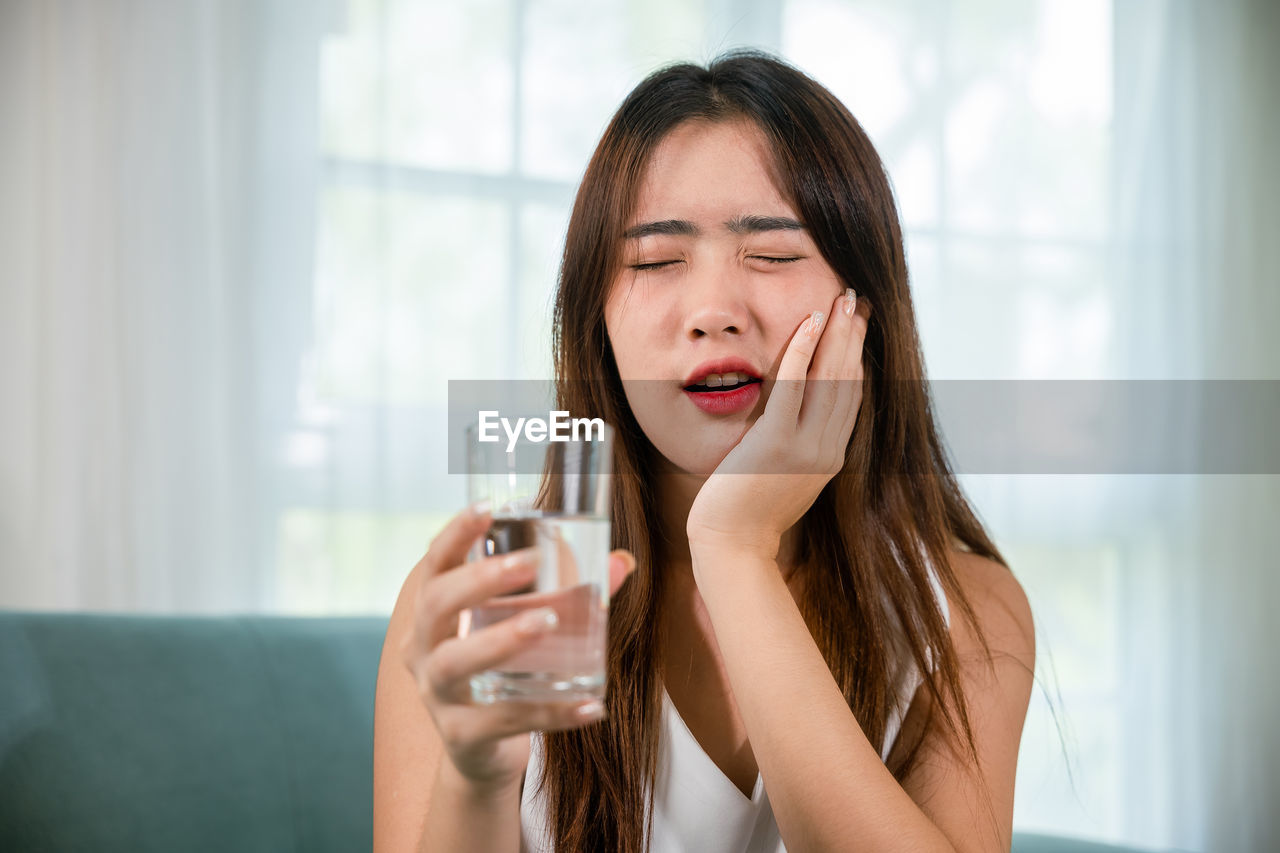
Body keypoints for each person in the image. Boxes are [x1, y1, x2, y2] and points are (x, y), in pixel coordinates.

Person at [373, 50, 1035, 853]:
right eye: (656, 261)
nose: (714, 312)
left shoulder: (963, 609)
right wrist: (476, 776)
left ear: (867, 308)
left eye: (774, 254)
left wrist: (736, 545)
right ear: (598, 328)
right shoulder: (497, 589)